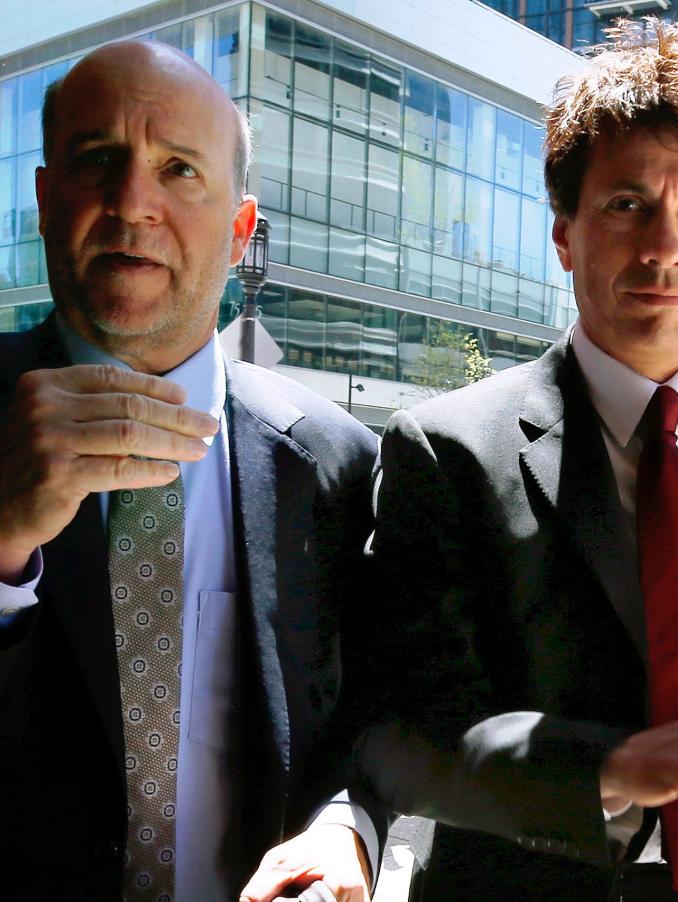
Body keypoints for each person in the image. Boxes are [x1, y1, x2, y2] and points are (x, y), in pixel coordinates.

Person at [330, 17, 678, 902]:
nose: (664, 248)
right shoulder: (447, 450)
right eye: (627, 205)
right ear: (565, 234)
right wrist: (614, 765)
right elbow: (401, 737)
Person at [0, 42, 384, 901]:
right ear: (42, 198)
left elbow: (378, 721)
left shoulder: (338, 462)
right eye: (97, 160)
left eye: (178, 170)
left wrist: (348, 824)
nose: (133, 202)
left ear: (241, 230)